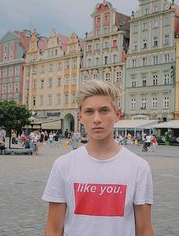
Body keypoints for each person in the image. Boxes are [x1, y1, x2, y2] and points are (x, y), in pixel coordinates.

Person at [42, 80, 154, 236]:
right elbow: (54, 228)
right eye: (89, 111)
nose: (96, 119)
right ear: (80, 117)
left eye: (104, 110)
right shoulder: (63, 165)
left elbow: (144, 230)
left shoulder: (139, 167)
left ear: (117, 114)